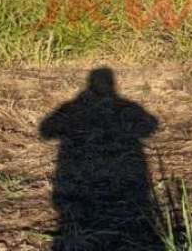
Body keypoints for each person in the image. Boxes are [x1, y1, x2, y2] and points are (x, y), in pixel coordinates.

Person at [39, 67, 162, 250]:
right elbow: (151, 125)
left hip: (78, 185)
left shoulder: (72, 107)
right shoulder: (125, 106)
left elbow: (45, 131)